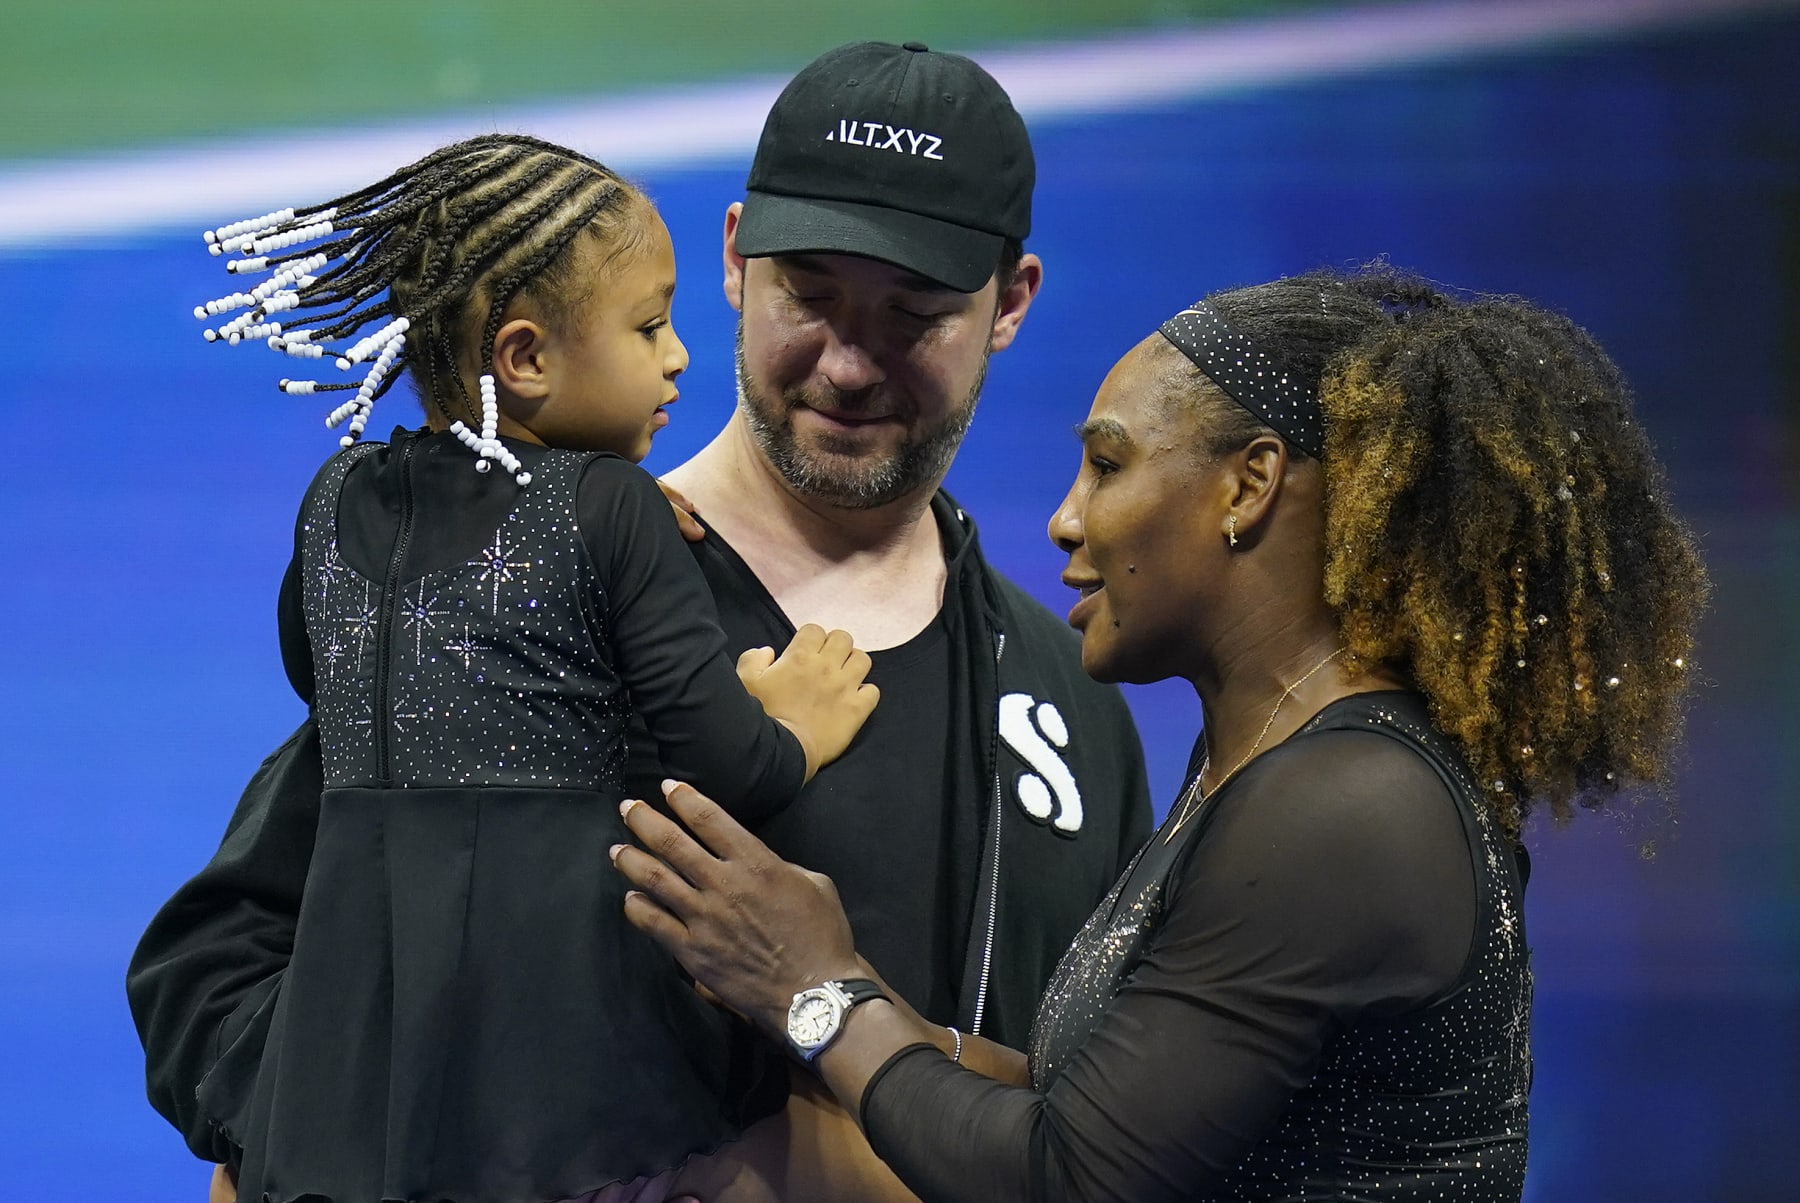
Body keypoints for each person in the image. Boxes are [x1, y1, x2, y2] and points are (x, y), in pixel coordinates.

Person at [128, 42, 1153, 1201]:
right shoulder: (514, 590)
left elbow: (1109, 1120)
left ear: (1009, 304)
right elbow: (228, 973)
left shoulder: (1070, 698)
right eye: (809, 298)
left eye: (914, 314)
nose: (851, 364)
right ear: (733, 259)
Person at [614, 265, 1710, 1201]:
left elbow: (1072, 1175)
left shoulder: (1345, 806)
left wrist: (815, 989)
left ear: (1250, 485)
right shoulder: (1271, 763)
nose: (1065, 518)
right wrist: (856, 1007)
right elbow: (1095, 1100)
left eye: (1109, 463)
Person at [145, 133, 880, 1203]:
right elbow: (724, 772)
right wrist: (788, 723)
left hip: (352, 1068)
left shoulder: (337, 493)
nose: (678, 355)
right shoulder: (611, 507)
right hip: (562, 1059)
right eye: (649, 325)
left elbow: (321, 681)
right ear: (526, 358)